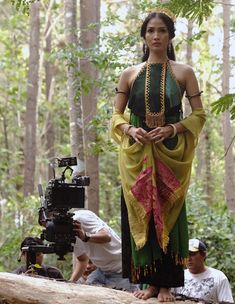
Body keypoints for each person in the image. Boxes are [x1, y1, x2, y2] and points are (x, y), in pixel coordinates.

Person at [111, 7, 206, 302]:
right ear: (143, 36)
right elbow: (114, 117)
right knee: (142, 215)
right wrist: (129, 130)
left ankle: (166, 285)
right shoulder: (129, 74)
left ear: (170, 36)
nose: (155, 36)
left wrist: (173, 129)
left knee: (169, 215)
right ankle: (149, 284)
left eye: (161, 31)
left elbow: (200, 115)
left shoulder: (184, 72)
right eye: (150, 31)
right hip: (137, 156)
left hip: (169, 155)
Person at [70, 209, 138, 291]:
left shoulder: (79, 218)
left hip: (121, 271)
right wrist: (70, 282)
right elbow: (82, 260)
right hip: (101, 272)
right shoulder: (68, 235)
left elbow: (106, 236)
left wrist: (85, 237)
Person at [174, 239, 234, 303]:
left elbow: (227, 302)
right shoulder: (178, 276)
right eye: (185, 254)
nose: (188, 258)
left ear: (203, 255)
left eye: (192, 254)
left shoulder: (218, 277)